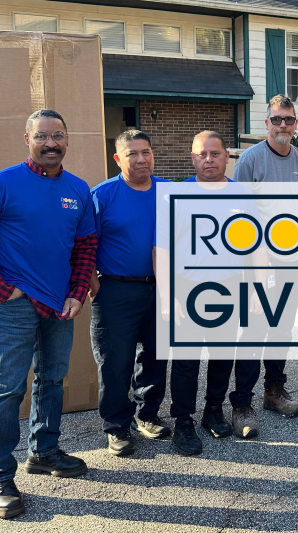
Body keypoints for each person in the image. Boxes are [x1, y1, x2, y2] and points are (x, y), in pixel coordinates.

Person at [0, 109, 97, 519]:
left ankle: (45, 450)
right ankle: (0, 474)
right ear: (27, 140)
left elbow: (85, 247)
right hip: (16, 306)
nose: (50, 143)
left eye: (58, 136)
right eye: (42, 136)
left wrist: (76, 293)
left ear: (67, 140)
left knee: (52, 379)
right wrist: (3, 290)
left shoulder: (78, 189)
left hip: (61, 305)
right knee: (8, 389)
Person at [155, 131, 267, 454]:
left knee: (222, 356)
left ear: (227, 157)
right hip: (188, 287)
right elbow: (162, 250)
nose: (208, 159)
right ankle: (183, 421)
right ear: (192, 158)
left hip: (229, 287)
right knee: (186, 360)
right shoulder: (174, 196)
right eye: (202, 154)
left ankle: (213, 410)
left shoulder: (242, 195)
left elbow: (255, 247)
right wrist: (168, 295)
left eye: (215, 154)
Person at [89, 130, 169, 458]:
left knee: (155, 356)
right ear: (118, 158)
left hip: (161, 288)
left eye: (146, 152)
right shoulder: (102, 195)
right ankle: (116, 426)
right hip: (116, 289)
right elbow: (83, 244)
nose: (140, 159)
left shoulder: (168, 191)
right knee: (115, 361)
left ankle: (146, 415)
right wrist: (93, 282)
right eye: (132, 153)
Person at [232, 94, 298, 420]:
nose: (282, 124)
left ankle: (274, 391)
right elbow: (237, 220)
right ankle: (241, 403)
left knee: (282, 329)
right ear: (266, 123)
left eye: (288, 119)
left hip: (295, 262)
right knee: (254, 330)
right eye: (276, 119)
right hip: (259, 264)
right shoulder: (250, 160)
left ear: (295, 124)